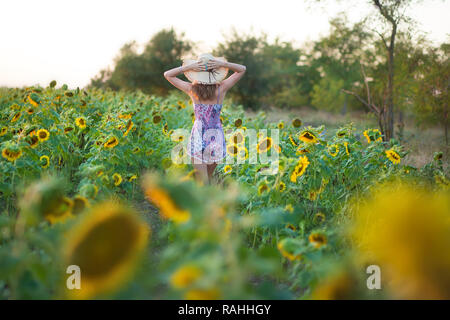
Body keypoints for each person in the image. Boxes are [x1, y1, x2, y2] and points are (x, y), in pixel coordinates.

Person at [164, 53, 246, 185]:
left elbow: (168, 74)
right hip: (216, 136)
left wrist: (189, 67)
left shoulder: (191, 89)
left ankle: (200, 203)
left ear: (197, 72)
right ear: (215, 72)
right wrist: (223, 65)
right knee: (207, 179)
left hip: (198, 135)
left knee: (202, 182)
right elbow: (242, 69)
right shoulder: (221, 89)